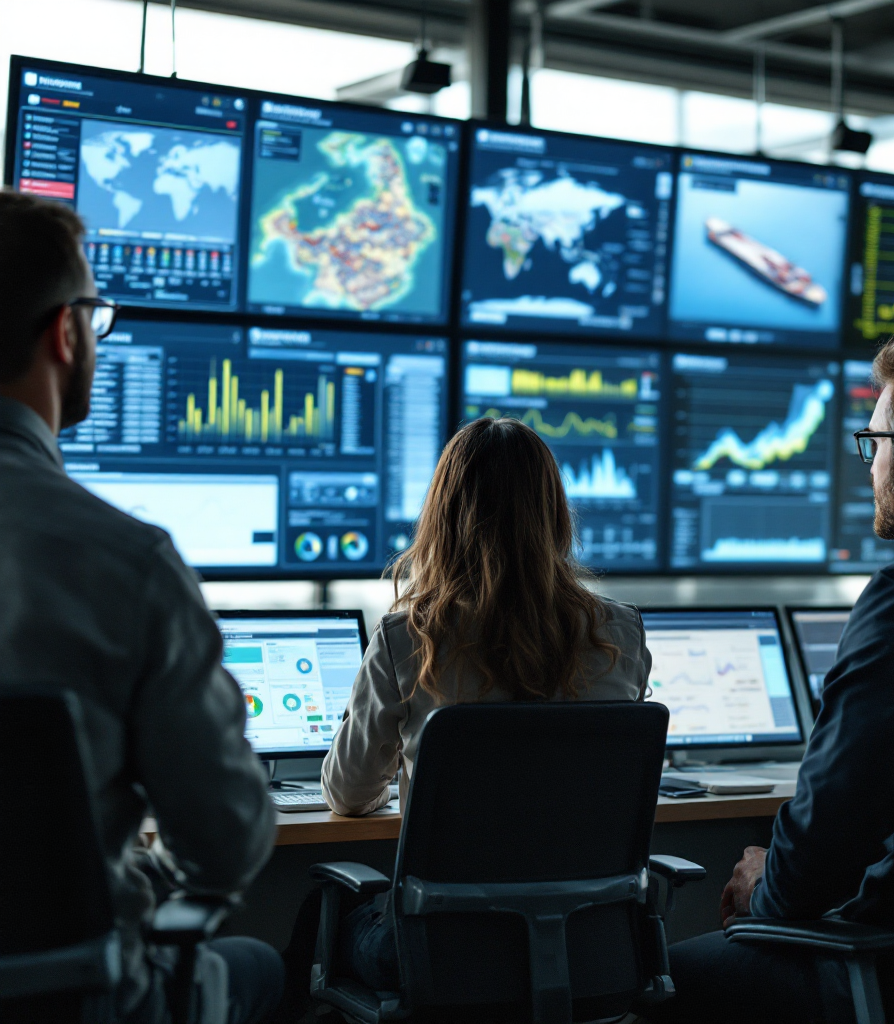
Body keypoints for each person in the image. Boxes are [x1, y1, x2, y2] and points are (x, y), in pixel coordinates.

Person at [652, 330, 894, 1024]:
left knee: (655, 984)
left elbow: (819, 854)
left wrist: (762, 881)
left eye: (873, 444)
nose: (869, 464)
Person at [0, 189, 284, 1023]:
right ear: (65, 332)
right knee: (259, 968)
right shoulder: (127, 564)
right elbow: (228, 844)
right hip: (70, 1002)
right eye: (95, 314)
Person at [285, 416, 651, 997]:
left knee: (319, 917)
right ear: (556, 515)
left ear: (442, 518)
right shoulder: (621, 633)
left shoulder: (411, 637)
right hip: (588, 952)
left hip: (444, 960)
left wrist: (402, 777)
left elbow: (347, 795)